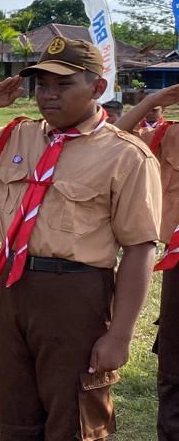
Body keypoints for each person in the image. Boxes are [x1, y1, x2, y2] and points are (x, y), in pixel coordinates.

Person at [0, 36, 162, 440]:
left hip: (74, 293)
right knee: (14, 409)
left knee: (72, 415)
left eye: (63, 85)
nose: (48, 95)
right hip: (11, 287)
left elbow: (139, 248)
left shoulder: (126, 155)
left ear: (97, 88)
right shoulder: (19, 135)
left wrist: (120, 335)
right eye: (42, 84)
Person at [110, 83, 179, 439]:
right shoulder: (168, 135)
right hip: (178, 264)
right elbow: (111, 139)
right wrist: (153, 101)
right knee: (173, 370)